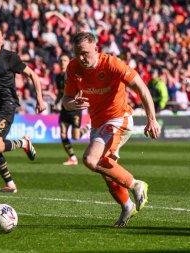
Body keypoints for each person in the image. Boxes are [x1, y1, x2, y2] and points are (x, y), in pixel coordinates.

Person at [62, 32, 160, 228]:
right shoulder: (73, 68)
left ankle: (136, 184)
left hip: (118, 119)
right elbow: (66, 100)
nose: (81, 58)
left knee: (91, 159)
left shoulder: (112, 64)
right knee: (108, 171)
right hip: (98, 124)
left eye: (85, 53)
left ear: (96, 49)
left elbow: (141, 87)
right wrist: (73, 103)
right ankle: (127, 206)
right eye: (78, 53)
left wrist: (152, 119)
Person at [0, 25, 46, 193]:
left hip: (7, 104)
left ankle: (24, 142)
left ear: (2, 39)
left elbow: (33, 75)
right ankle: (10, 183)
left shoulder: (10, 57)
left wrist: (40, 99)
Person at [54, 54, 89, 166]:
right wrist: (56, 103)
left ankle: (87, 127)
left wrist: (79, 97)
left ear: (69, 62)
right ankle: (72, 158)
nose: (62, 62)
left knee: (76, 137)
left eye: (64, 60)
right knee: (63, 134)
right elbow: (60, 92)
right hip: (64, 109)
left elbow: (81, 88)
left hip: (74, 109)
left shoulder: (72, 75)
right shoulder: (58, 77)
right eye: (60, 60)